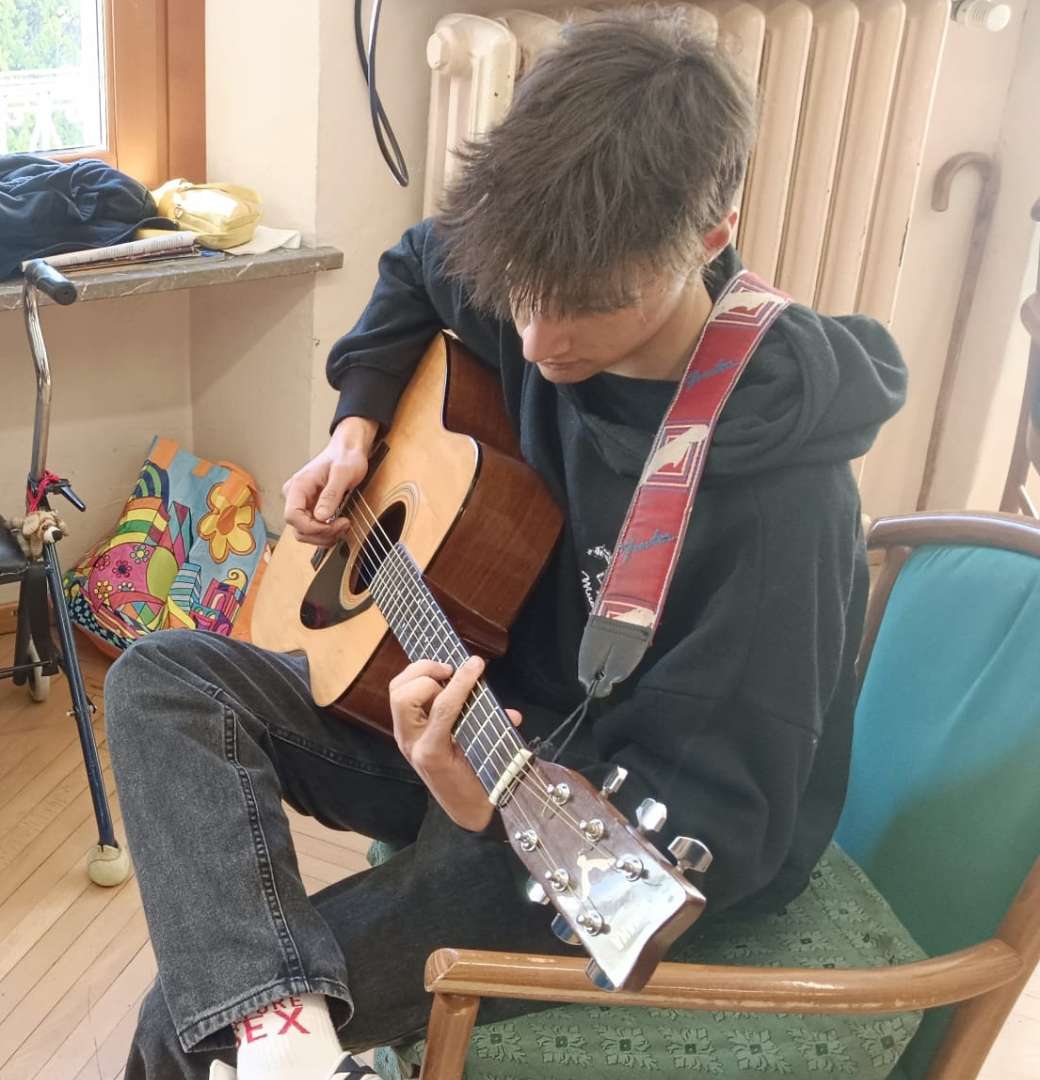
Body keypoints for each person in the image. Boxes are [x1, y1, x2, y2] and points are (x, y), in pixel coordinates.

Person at [104, 12, 909, 1080]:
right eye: (519, 290)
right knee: (165, 678)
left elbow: (733, 826)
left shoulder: (782, 503)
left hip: (592, 844)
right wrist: (357, 426)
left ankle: (270, 1036)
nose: (535, 337)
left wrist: (480, 804)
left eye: (590, 305)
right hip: (468, 709)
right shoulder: (536, 256)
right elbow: (417, 269)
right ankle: (288, 1045)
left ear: (712, 234)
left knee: (183, 1024)